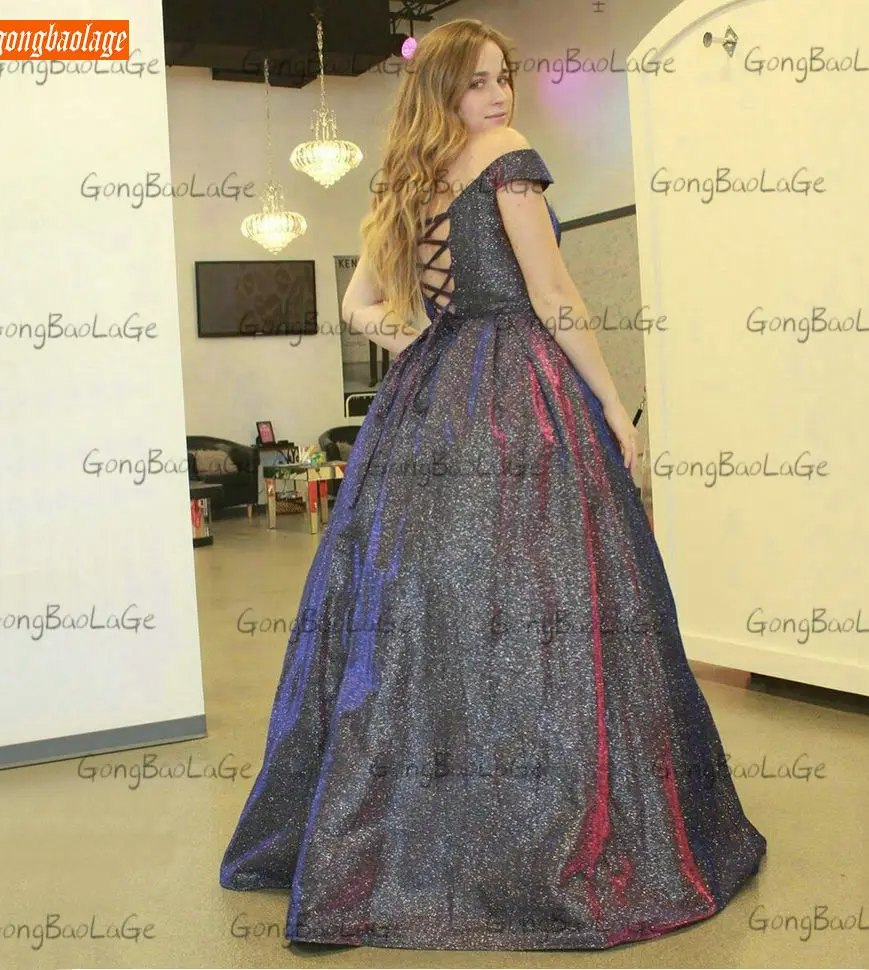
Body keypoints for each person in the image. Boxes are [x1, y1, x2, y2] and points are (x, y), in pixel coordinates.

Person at [220, 17, 766, 952]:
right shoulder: (508, 155)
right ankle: (544, 842)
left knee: (423, 614)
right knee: (547, 602)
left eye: (502, 76)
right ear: (444, 91)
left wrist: (429, 349)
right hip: (522, 396)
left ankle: (401, 847)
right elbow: (554, 296)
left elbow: (358, 304)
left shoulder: (407, 180)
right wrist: (615, 405)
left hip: (430, 404)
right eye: (476, 81)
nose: (498, 94)